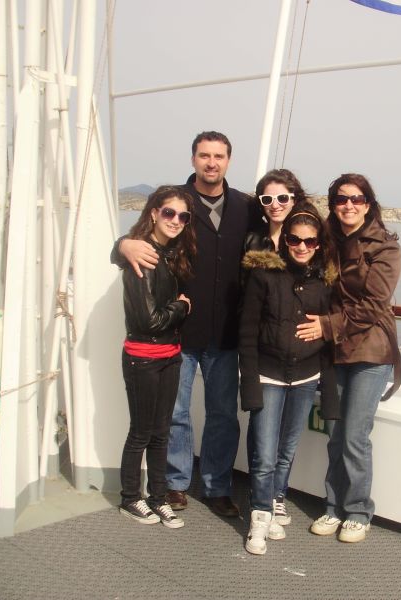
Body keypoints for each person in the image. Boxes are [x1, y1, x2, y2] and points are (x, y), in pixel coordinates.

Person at [112, 131, 256, 518]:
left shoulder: (244, 206)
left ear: (228, 160)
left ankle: (217, 487)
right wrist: (122, 245)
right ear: (193, 159)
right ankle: (175, 485)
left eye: (219, 156)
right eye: (204, 155)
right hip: (179, 332)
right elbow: (143, 237)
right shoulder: (177, 202)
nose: (212, 162)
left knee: (223, 415)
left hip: (226, 332)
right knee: (174, 415)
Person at [297, 173, 401, 543]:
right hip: (335, 349)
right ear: (333, 204)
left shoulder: (385, 247)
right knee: (334, 432)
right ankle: (332, 506)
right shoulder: (325, 241)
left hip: (371, 350)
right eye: (341, 199)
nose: (349, 205)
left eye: (357, 199)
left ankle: (357, 511)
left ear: (368, 204)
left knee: (354, 434)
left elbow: (374, 305)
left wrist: (327, 326)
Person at [239, 202, 339, 555]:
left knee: (286, 450)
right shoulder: (263, 276)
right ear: (285, 242)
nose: (301, 246)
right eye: (295, 239)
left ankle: (275, 499)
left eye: (309, 241)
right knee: (265, 454)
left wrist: (329, 392)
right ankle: (260, 516)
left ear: (318, 245)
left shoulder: (324, 282)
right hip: (269, 374)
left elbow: (329, 338)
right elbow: (247, 332)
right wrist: (249, 385)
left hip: (306, 377)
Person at [117, 185, 195, 528]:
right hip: (144, 358)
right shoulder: (143, 255)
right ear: (153, 213)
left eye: (183, 216)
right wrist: (182, 306)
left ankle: (158, 497)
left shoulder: (172, 253)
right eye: (169, 213)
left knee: (162, 431)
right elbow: (150, 320)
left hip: (169, 355)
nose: (175, 220)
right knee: (142, 432)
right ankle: (130, 498)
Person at [243, 168, 305, 252]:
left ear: (295, 200)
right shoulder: (250, 241)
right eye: (267, 199)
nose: (275, 205)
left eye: (282, 198)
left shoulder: (307, 243)